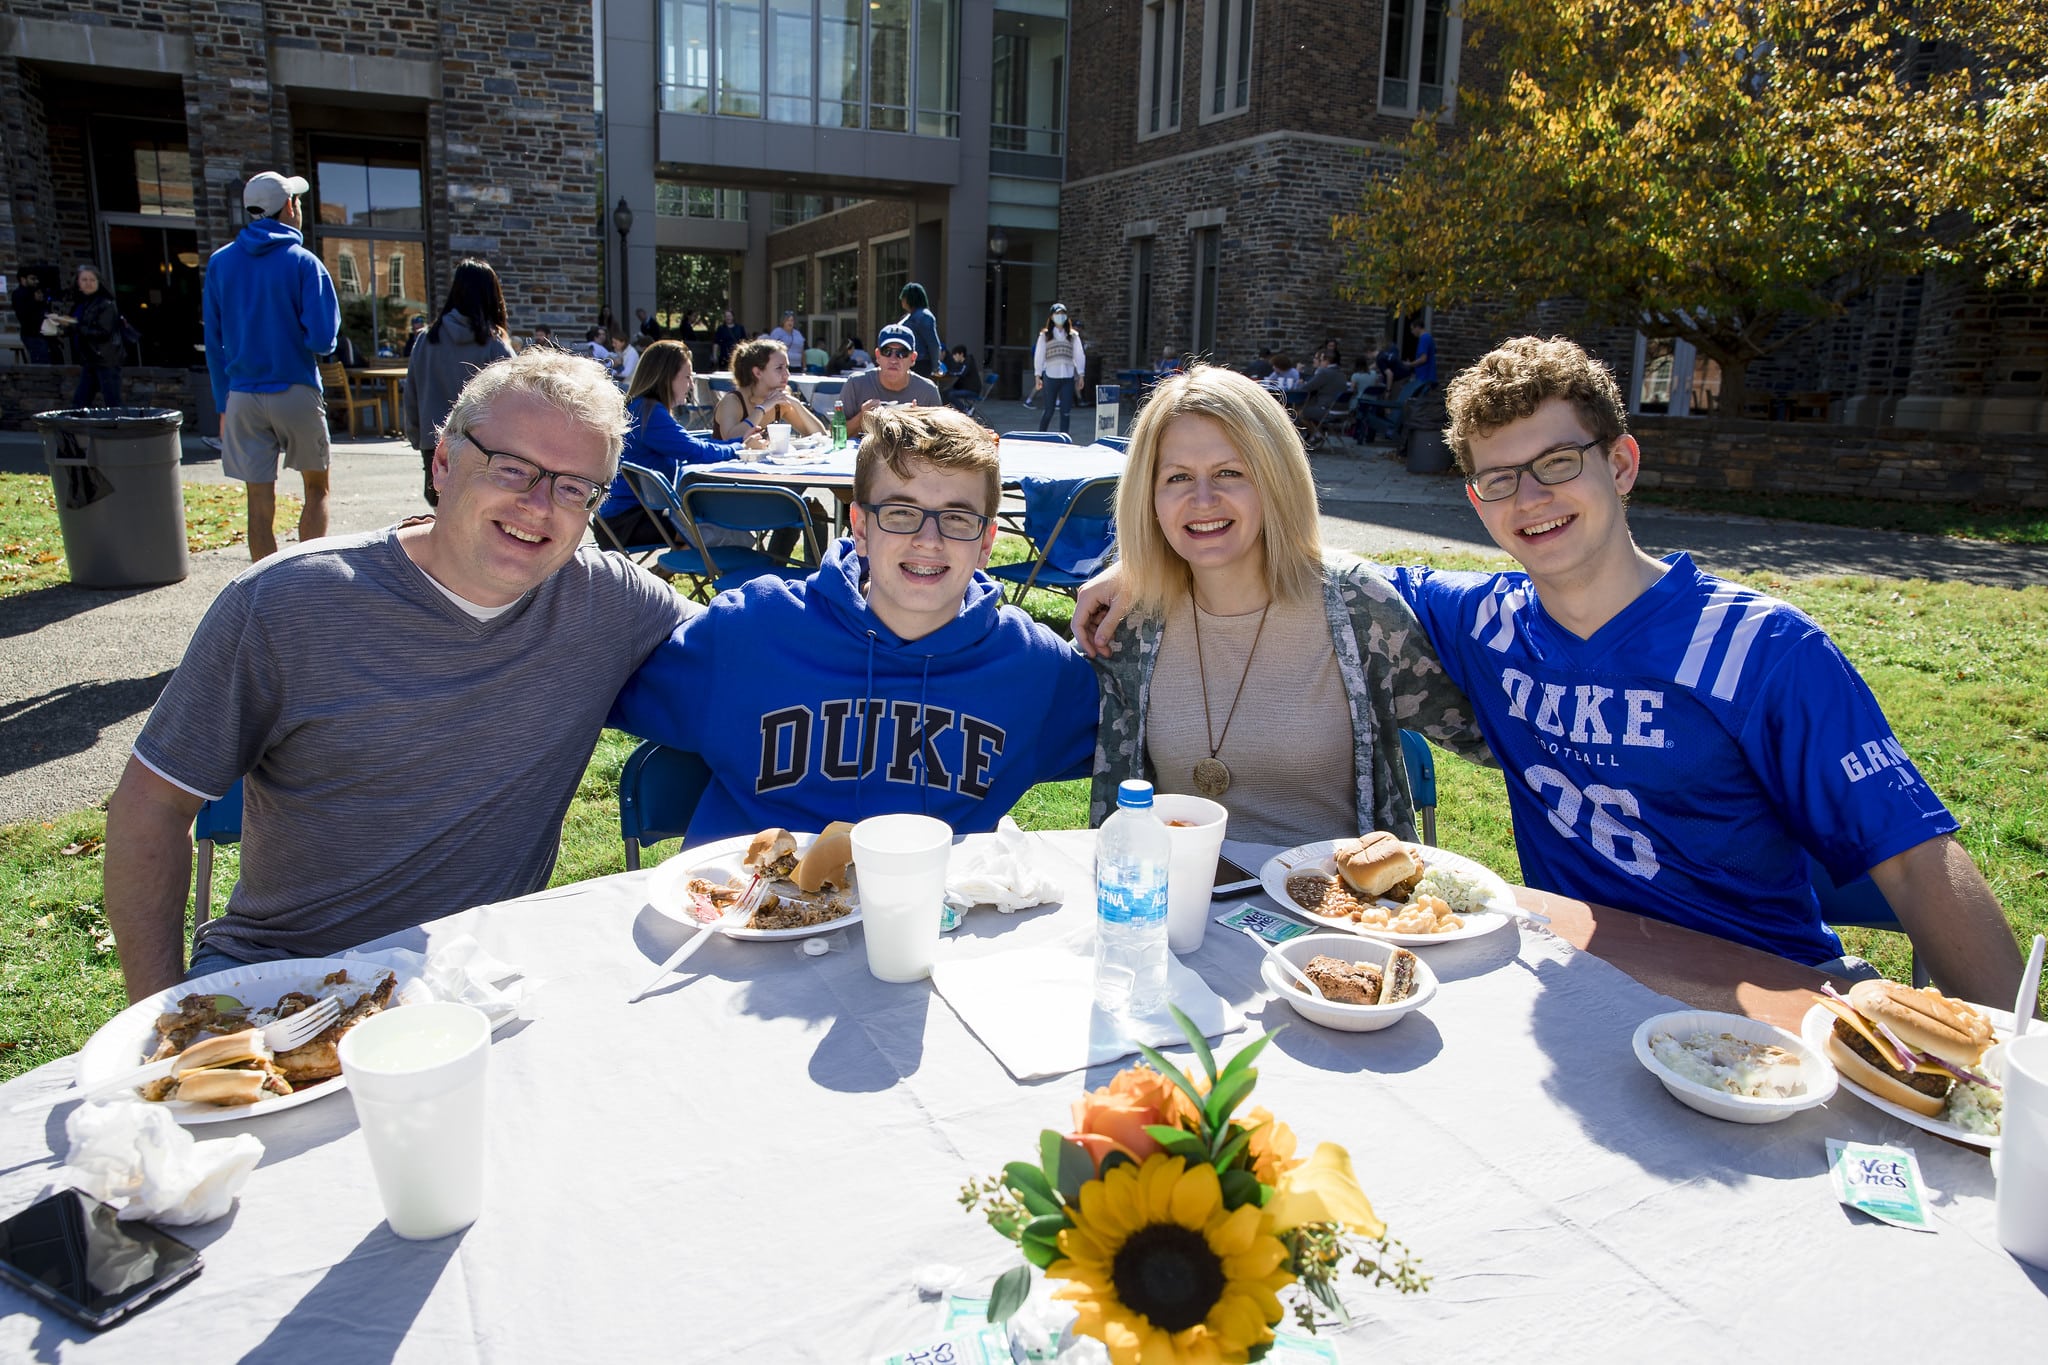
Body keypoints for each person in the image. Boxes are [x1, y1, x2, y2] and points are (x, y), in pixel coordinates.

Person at [1370, 335, 2022, 998]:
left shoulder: (1764, 646)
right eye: (1499, 479)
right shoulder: (1479, 618)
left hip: (1774, 996)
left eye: (1558, 463)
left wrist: (2008, 1063)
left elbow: (1915, 863)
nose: (1529, 497)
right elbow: (1323, 572)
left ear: (1621, 464)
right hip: (1588, 988)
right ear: (1478, 503)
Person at [102, 348, 690, 1001]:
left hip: (471, 982)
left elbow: (753, 643)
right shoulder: (284, 603)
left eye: (574, 487)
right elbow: (152, 804)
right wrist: (158, 1015)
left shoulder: (607, 601)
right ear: (443, 462)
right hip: (281, 977)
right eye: (511, 467)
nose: (538, 504)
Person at [610, 404, 1099, 842]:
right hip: (745, 922)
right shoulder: (753, 632)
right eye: (901, 513)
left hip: (928, 929)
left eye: (956, 518)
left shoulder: (1030, 666)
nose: (929, 540)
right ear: (861, 528)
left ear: (987, 541)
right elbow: (589, 676)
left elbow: (1153, 723)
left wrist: (1135, 574)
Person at [1085, 366, 1487, 843]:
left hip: (1338, 908)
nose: (1203, 499)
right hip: (1189, 908)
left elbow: (1490, 735)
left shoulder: (1356, 607)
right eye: (1177, 478)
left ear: (1275, 481)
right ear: (1149, 497)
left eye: (1230, 473)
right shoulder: (1134, 625)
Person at [202, 172, 342, 562]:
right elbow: (322, 341)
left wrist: (222, 405)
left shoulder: (220, 263)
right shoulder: (304, 264)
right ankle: (308, 577)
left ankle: (264, 589)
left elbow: (213, 343)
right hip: (295, 388)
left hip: (242, 394)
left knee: (258, 500)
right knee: (317, 489)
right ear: (289, 207)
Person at [592, 339, 764, 548]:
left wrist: (738, 443)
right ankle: (749, 572)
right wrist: (741, 447)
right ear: (666, 377)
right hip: (629, 523)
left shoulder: (642, 407)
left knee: (719, 525)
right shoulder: (649, 413)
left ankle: (665, 570)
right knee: (728, 529)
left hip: (624, 518)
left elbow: (689, 445)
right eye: (687, 377)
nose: (691, 384)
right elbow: (694, 451)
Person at [403, 258, 516, 506]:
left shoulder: (425, 340)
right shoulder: (494, 346)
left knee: (442, 516)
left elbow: (411, 392)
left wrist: (416, 434)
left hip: (433, 444)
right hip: (483, 449)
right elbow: (516, 403)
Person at [714, 337, 828, 443]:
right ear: (758, 372)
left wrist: (797, 404)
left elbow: (821, 436)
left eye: (787, 367)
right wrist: (762, 408)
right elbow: (730, 439)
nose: (787, 374)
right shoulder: (733, 401)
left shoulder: (780, 401)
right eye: (779, 368)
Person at [838, 324, 941, 435]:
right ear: (878, 355)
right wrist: (862, 417)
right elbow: (836, 435)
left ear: (913, 358)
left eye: (902, 353)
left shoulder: (928, 391)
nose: (893, 359)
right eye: (887, 351)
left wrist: (918, 423)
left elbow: (942, 440)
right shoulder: (855, 384)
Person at [53, 264, 128, 407]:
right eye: (84, 280)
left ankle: (119, 428)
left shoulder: (105, 304)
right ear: (78, 283)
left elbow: (103, 332)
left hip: (106, 359)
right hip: (90, 359)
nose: (88, 283)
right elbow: (79, 326)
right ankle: (75, 428)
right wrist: (60, 330)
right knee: (80, 401)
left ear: (99, 282)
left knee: (112, 403)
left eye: (92, 280)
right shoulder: (82, 304)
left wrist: (74, 326)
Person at [1031, 303, 1087, 436]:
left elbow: (1079, 355)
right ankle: (1040, 436)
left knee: (1066, 411)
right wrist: (1037, 375)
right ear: (1051, 316)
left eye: (1062, 314)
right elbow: (1039, 355)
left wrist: (1081, 374)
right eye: (1057, 314)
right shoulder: (1045, 335)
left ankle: (1064, 438)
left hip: (1067, 377)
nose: (1060, 316)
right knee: (1049, 411)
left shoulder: (1073, 335)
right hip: (1051, 376)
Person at [897, 282, 943, 379]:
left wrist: (936, 367)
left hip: (919, 364)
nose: (901, 300)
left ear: (910, 298)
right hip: (906, 361)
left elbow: (933, 344)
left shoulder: (924, 316)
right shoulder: (909, 316)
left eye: (904, 297)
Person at [10, 269, 51, 366]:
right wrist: (35, 301)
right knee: (40, 364)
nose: (36, 281)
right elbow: (23, 314)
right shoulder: (19, 294)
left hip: (42, 332)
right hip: (31, 334)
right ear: (23, 280)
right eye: (32, 279)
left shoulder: (35, 292)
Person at [943, 344, 983, 411]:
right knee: (945, 392)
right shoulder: (961, 363)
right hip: (966, 388)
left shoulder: (968, 361)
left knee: (951, 394)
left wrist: (949, 373)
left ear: (961, 354)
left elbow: (961, 373)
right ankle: (946, 410)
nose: (953, 357)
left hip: (972, 390)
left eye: (955, 355)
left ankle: (965, 410)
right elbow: (955, 370)